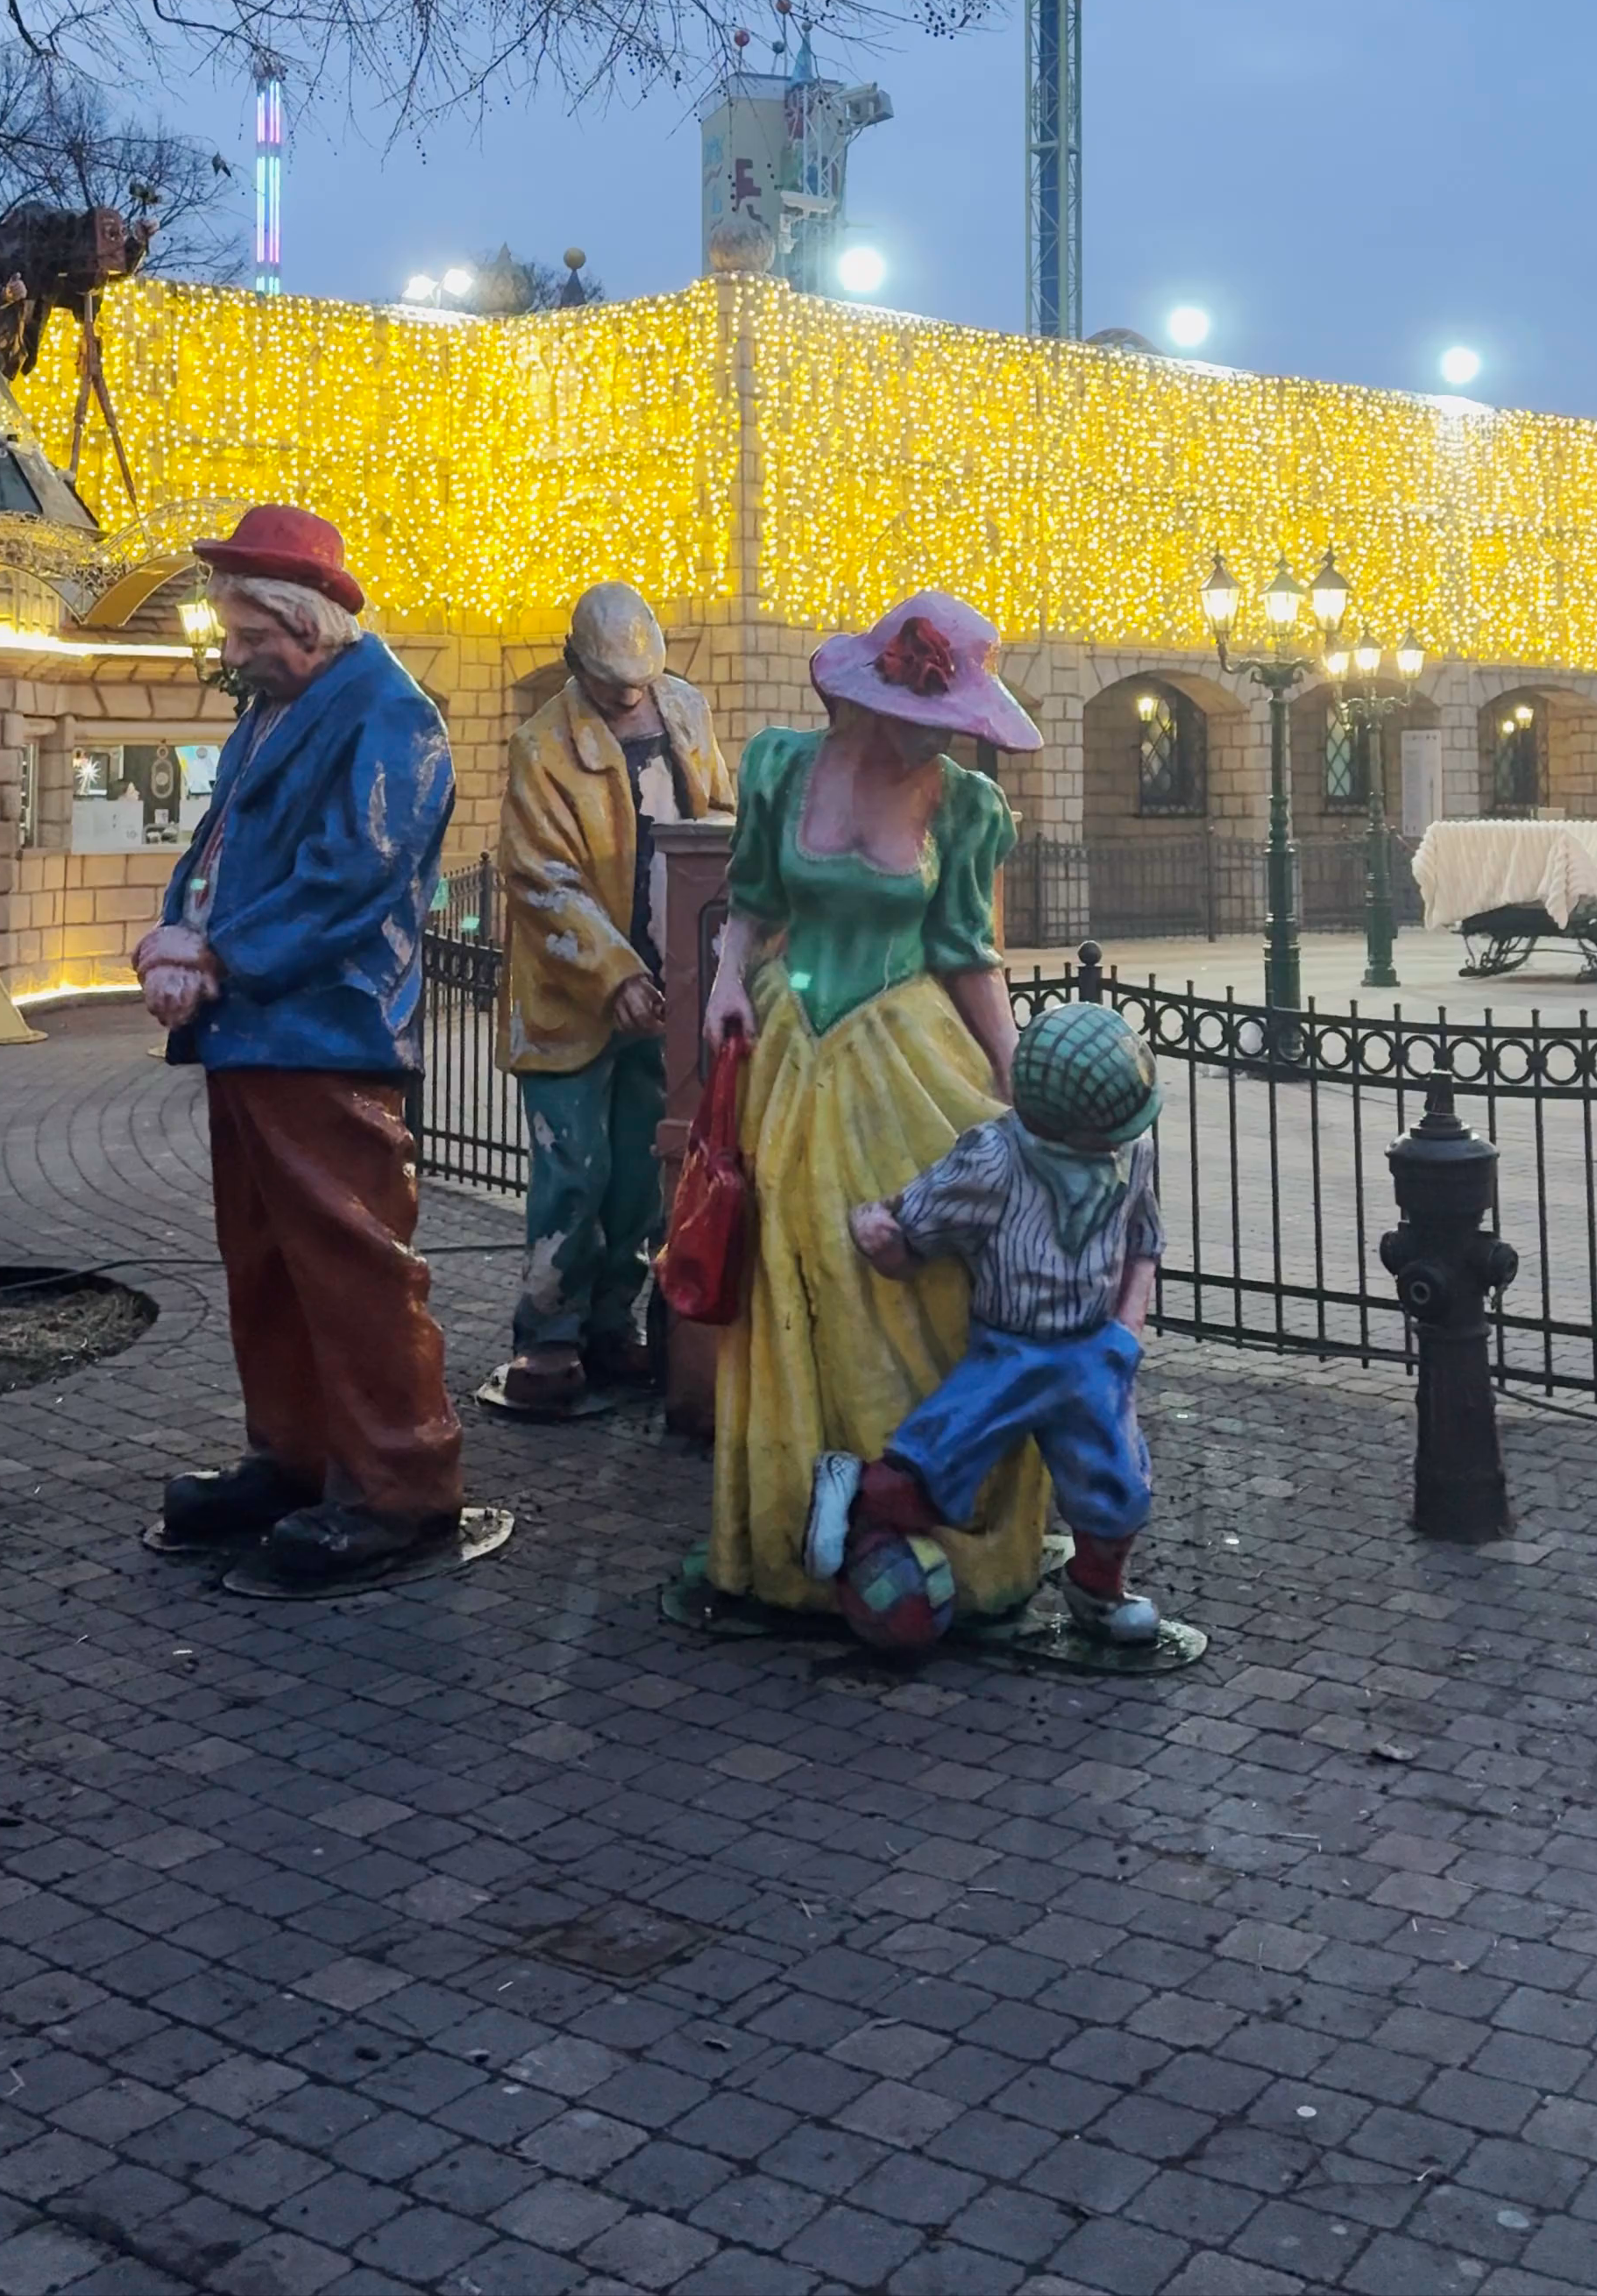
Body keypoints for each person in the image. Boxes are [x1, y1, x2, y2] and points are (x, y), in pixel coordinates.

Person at [700, 591, 1049, 1617]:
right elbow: (753, 897)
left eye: (953, 728)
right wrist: (727, 977)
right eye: (925, 721)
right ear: (870, 696)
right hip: (789, 1048)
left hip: (904, 1053)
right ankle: (801, 1511)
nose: (935, 739)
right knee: (792, 1265)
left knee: (920, 1272)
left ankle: (918, 1497)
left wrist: (1012, 1060)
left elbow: (965, 951)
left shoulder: (963, 806)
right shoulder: (779, 765)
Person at [132, 504, 462, 1586]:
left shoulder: (387, 713)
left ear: (304, 622)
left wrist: (213, 950)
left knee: (351, 1256)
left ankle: (400, 1481)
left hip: (326, 1028)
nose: (230, 656)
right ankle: (295, 1451)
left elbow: (351, 877)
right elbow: (217, 841)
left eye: (245, 637)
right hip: (259, 1032)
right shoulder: (279, 706)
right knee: (266, 1257)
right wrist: (179, 927)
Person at [802, 1003, 1208, 1661]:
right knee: (939, 1460)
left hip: (1091, 1350)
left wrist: (1127, 1332)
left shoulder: (1135, 1153)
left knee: (1118, 1484)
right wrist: (882, 1234)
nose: (1116, 1139)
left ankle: (1099, 1592)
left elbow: (1145, 1241)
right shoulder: (994, 1155)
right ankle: (852, 1488)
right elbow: (913, 1225)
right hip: (1010, 1349)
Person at [499, 582, 733, 1411]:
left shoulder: (686, 712)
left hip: (668, 992)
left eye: (640, 683)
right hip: (577, 1001)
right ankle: (549, 1337)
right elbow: (541, 880)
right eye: (611, 685)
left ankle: (611, 1324)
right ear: (574, 665)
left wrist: (700, 953)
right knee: (574, 1169)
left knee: (638, 1173)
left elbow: (718, 818)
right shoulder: (541, 748)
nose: (630, 698)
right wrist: (617, 973)